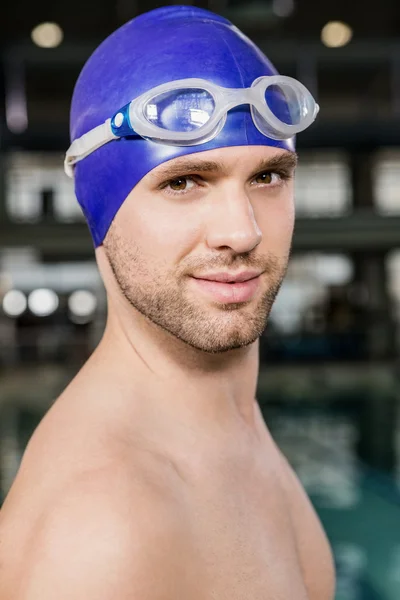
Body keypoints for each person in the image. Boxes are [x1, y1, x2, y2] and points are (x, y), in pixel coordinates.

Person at [0, 6, 335, 599]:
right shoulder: (102, 529)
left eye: (267, 177)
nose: (243, 231)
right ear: (99, 208)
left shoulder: (226, 422)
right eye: (182, 182)